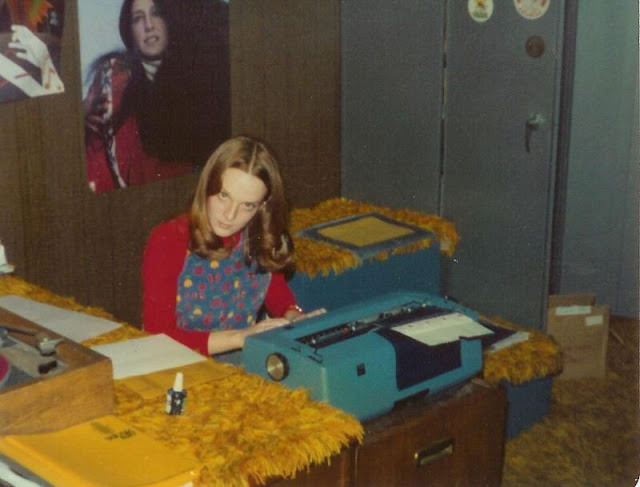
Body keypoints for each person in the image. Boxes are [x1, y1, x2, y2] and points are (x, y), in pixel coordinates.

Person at [142, 136, 304, 358]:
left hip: (240, 364)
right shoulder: (169, 239)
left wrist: (295, 316)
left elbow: (279, 297)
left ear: (262, 206)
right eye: (223, 196)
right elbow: (157, 336)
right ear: (208, 185)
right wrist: (238, 337)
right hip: (181, 365)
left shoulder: (260, 237)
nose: (230, 215)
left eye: (247, 205)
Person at [83, 0, 230, 193]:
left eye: (157, 14)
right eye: (138, 19)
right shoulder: (116, 73)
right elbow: (122, 166)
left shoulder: (196, 71)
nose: (149, 25)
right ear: (130, 31)